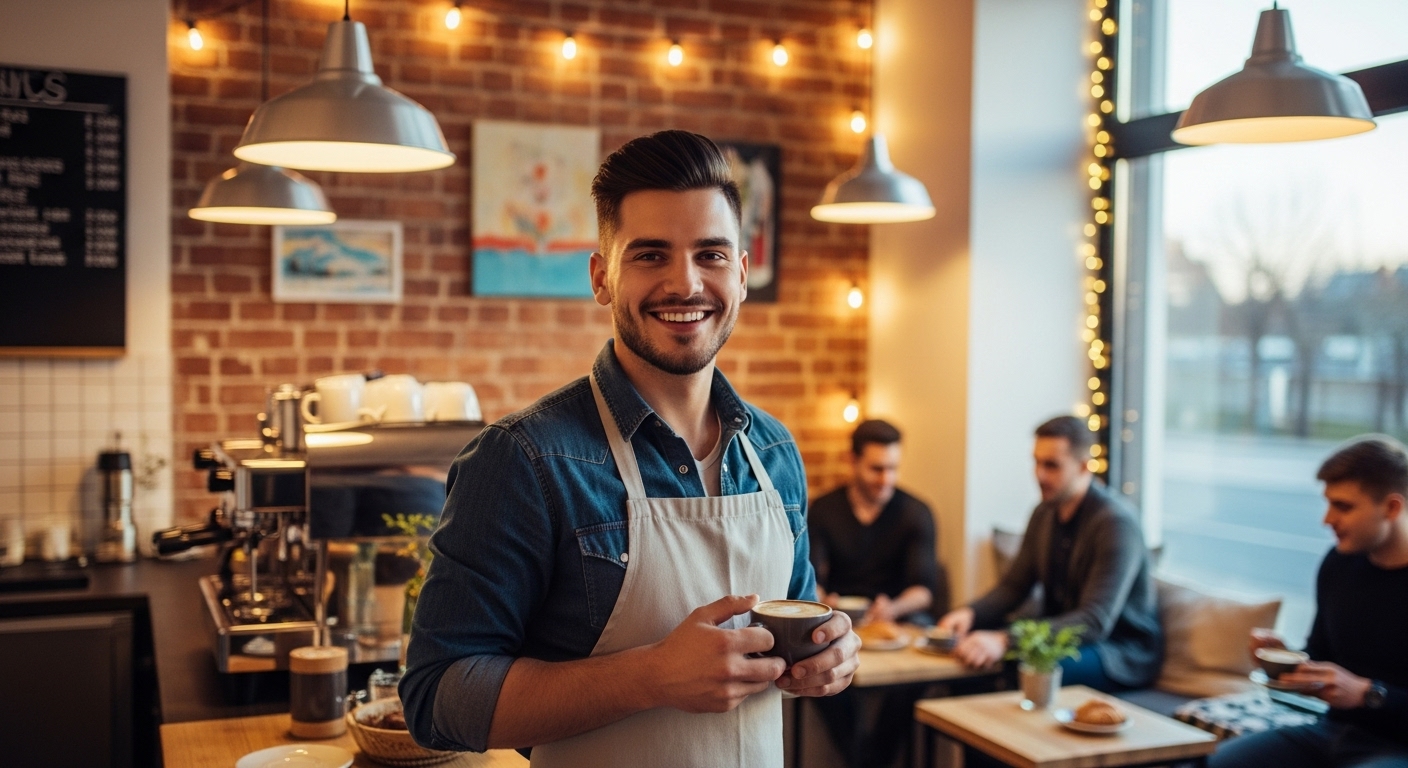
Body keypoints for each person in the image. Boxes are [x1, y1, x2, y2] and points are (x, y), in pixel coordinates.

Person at [399, 130, 860, 767]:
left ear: (743, 272)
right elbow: (438, 698)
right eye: (650, 255)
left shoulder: (775, 452)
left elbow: (799, 622)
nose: (686, 283)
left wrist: (830, 654)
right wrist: (650, 677)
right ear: (601, 277)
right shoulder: (525, 459)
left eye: (711, 254)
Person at [1209, 437, 1408, 768]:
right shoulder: (1339, 563)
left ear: (1391, 508)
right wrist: (1283, 658)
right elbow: (1322, 656)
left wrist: (1369, 694)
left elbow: (1359, 689)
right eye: (1328, 503)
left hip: (1399, 747)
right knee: (1221, 763)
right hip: (1333, 731)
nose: (1327, 519)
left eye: (1343, 506)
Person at [936, 415, 1161, 692]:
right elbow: (1013, 586)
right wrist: (969, 614)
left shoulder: (1115, 523)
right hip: (1061, 641)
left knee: (1030, 666)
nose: (1039, 475)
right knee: (967, 659)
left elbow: (1094, 621)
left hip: (1116, 652)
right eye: (1037, 462)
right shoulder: (1044, 513)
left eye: (1052, 465)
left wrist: (1004, 640)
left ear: (1083, 467)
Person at [809, 418, 946, 768]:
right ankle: (863, 757)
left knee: (921, 655)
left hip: (896, 618)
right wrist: (828, 601)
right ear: (852, 461)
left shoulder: (916, 512)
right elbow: (811, 577)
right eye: (877, 469)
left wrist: (894, 607)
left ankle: (872, 759)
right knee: (813, 650)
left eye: (893, 469)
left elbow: (924, 590)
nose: (886, 480)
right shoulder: (824, 510)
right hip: (840, 616)